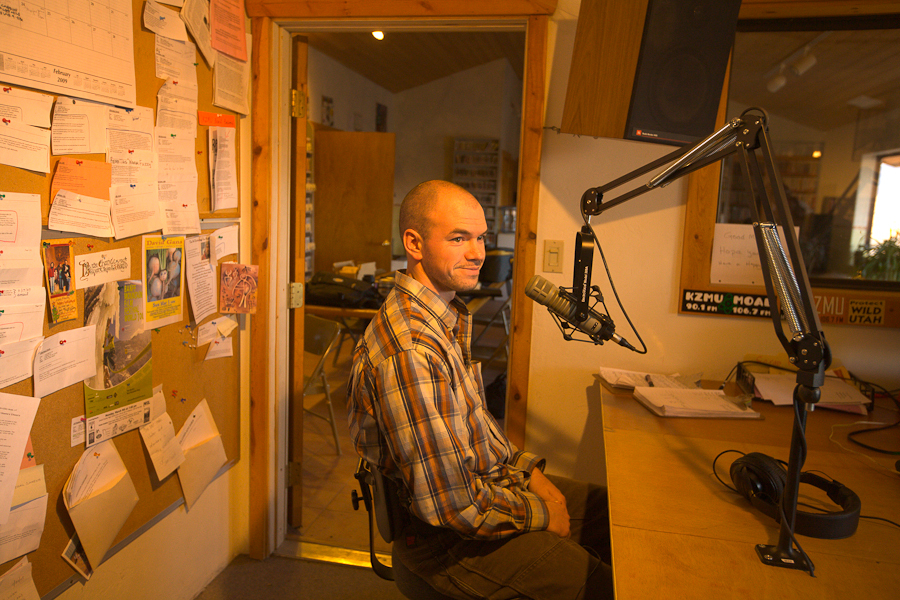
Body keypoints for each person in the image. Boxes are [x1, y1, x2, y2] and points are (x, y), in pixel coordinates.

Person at [347, 180, 612, 600]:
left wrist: (529, 471)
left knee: (617, 517)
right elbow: (452, 506)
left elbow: (478, 435)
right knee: (602, 587)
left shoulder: (445, 317)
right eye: (458, 239)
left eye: (480, 238)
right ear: (414, 243)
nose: (478, 253)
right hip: (445, 545)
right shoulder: (411, 351)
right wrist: (542, 513)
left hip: (486, 492)